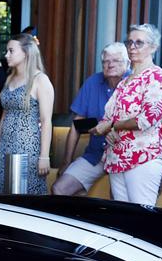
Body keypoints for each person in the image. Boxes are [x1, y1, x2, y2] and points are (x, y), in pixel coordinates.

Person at [95, 25, 162, 205]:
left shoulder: (157, 77)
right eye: (129, 42)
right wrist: (108, 130)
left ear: (153, 47)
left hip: (143, 157)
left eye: (139, 43)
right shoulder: (125, 81)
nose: (132, 47)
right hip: (118, 157)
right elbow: (109, 116)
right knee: (124, 220)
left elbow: (147, 119)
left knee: (142, 219)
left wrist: (113, 125)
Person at [53, 43, 128, 197]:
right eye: (106, 61)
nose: (110, 64)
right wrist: (67, 162)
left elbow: (151, 123)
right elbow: (77, 125)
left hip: (124, 157)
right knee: (59, 189)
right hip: (95, 155)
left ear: (127, 63)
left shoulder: (135, 84)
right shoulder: (93, 82)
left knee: (119, 202)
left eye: (116, 60)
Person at [0, 33, 53, 195]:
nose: (6, 55)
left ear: (26, 53)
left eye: (11, 51)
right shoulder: (9, 79)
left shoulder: (40, 80)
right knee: (4, 196)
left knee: (25, 198)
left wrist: (44, 156)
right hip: (6, 146)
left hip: (27, 147)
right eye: (7, 51)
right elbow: (4, 115)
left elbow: (46, 121)